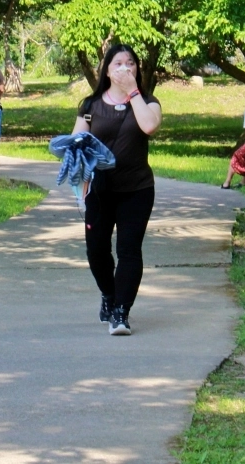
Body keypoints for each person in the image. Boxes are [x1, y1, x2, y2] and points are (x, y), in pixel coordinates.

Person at [71, 44, 162, 335]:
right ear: (107, 70)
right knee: (96, 250)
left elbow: (149, 126)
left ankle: (121, 312)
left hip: (137, 189)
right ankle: (109, 296)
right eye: (118, 63)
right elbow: (76, 144)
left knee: (129, 250)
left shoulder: (149, 102)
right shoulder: (90, 106)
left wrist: (133, 91)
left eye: (131, 63)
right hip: (98, 189)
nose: (125, 68)